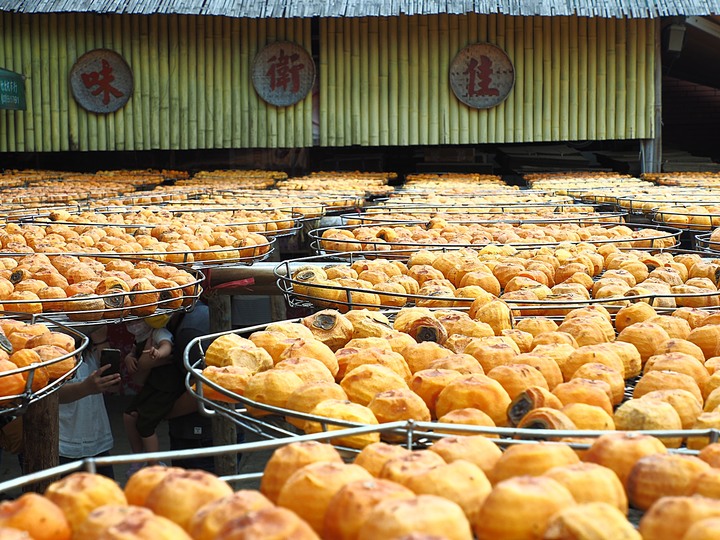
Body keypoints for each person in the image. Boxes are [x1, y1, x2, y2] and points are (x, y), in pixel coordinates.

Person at [58, 324, 121, 479]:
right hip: (62, 445)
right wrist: (86, 388)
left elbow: (114, 386)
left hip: (97, 442)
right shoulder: (53, 353)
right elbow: (53, 395)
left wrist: (101, 340)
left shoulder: (91, 349)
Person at [122, 315, 183, 474]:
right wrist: (129, 358)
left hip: (165, 387)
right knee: (128, 416)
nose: (133, 324)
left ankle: (154, 466)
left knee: (145, 425)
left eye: (137, 319)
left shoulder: (157, 332)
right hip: (151, 384)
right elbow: (134, 353)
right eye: (130, 320)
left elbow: (166, 345)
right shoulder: (139, 337)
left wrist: (159, 353)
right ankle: (137, 457)